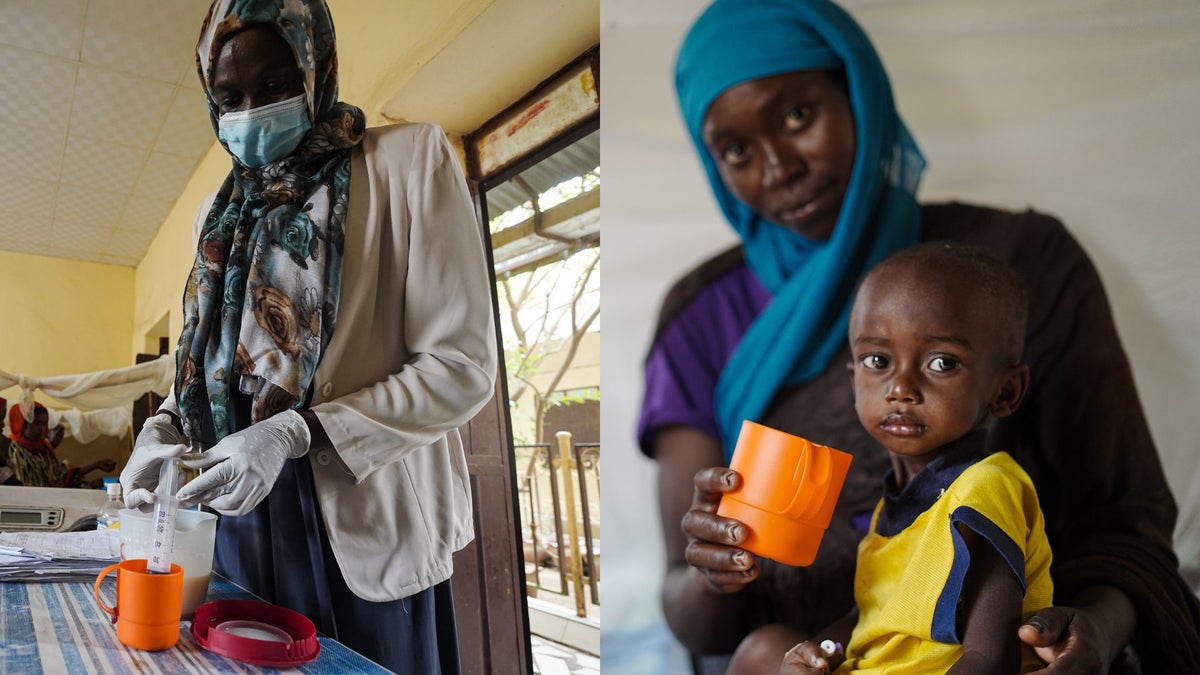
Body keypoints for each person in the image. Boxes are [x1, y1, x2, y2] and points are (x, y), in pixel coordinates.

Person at [638, 0, 1200, 673]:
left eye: (797, 116)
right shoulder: (698, 315)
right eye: (735, 149)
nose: (777, 167)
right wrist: (714, 569)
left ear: (861, 95)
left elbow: (1123, 522)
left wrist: (1095, 635)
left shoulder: (1025, 260)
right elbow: (693, 615)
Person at [118, 1, 497, 672]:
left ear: (314, 67)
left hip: (364, 519)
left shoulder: (407, 165)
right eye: (229, 97)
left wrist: (299, 431)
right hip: (239, 516)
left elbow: (460, 366)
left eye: (273, 85)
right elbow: (213, 368)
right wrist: (166, 430)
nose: (251, 111)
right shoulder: (217, 213)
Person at [781, 243, 1053, 674]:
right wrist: (822, 650)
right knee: (765, 651)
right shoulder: (891, 507)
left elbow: (989, 659)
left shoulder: (985, 488)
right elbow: (867, 622)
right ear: (855, 380)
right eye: (877, 360)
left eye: (942, 362)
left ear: (1005, 391)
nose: (900, 387)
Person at [5, 402, 115, 488]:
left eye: (44, 424)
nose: (41, 428)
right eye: (36, 423)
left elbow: (60, 477)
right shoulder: (13, 450)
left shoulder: (44, 449)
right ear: (19, 423)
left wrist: (96, 465)